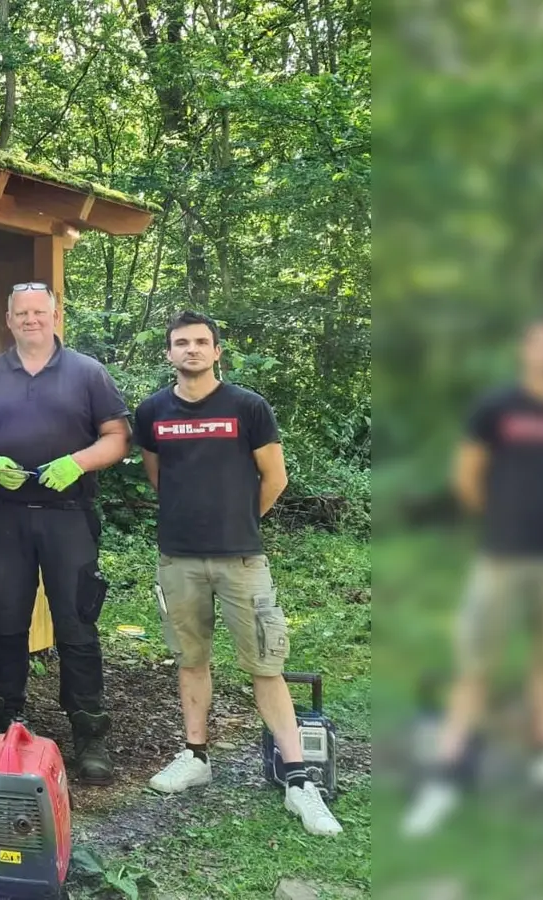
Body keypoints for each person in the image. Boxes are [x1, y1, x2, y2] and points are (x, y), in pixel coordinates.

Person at [133, 311, 342, 836]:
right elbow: (157, 476)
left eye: (202, 342)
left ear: (217, 351)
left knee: (265, 665)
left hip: (242, 558)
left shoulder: (248, 407)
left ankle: (298, 780)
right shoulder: (153, 411)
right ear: (169, 354)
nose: (192, 350)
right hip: (178, 558)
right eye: (181, 343)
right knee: (191, 659)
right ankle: (196, 756)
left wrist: (240, 522)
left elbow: (275, 476)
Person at [0, 283, 129, 786]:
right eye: (21, 313)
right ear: (8, 319)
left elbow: (117, 436)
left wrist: (78, 462)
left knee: (76, 621)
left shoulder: (87, 372)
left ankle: (89, 731)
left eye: (39, 311)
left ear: (56, 314)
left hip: (69, 513)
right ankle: (1, 722)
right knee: (6, 617)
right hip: (7, 512)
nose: (30, 319)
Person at [402, 312, 543, 837]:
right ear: (526, 349)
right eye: (541, 342)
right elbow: (467, 477)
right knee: (475, 668)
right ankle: (446, 775)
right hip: (501, 559)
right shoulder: (498, 407)